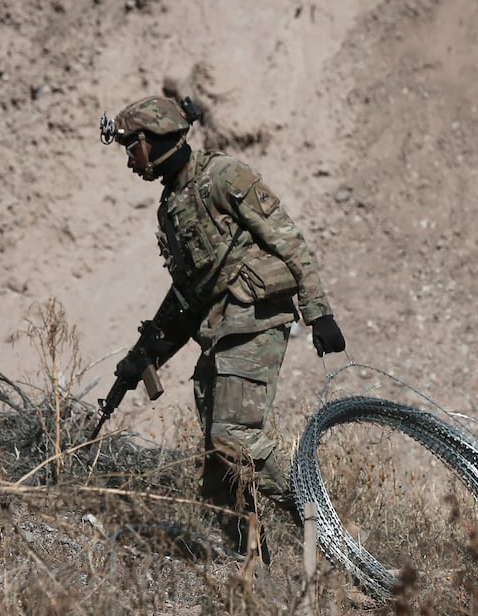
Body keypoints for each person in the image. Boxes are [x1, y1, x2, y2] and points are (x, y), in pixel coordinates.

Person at [100, 94, 346, 553]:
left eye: (131, 148)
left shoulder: (224, 177)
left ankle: (327, 530)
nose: (129, 160)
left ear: (155, 140)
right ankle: (252, 566)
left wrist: (319, 313)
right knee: (217, 473)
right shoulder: (170, 209)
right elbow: (187, 297)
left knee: (234, 437)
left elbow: (289, 241)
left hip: (254, 319)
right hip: (218, 331)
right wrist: (145, 357)